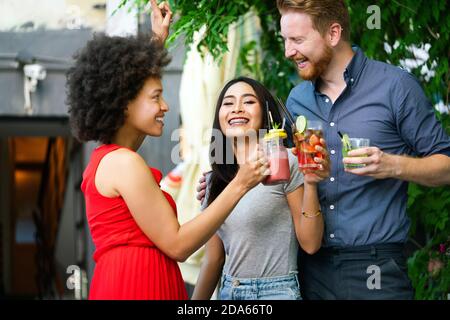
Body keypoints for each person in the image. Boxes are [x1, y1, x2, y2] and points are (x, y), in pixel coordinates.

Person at [66, 1, 270, 300]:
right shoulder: (123, 163)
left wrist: (155, 43)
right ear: (125, 103)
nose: (165, 106)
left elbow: (129, 84)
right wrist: (241, 183)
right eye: (156, 97)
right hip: (136, 285)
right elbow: (178, 245)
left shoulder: (113, 158)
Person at [276, 0, 450, 299]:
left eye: (298, 40)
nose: (289, 51)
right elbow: (291, 179)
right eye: (285, 40)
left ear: (333, 33)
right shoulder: (297, 100)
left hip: (377, 267)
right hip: (310, 269)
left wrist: (393, 166)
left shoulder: (395, 86)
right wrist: (225, 180)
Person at [192, 77, 329, 300]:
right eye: (228, 103)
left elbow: (311, 244)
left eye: (248, 102)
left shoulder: (284, 163)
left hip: (277, 292)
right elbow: (213, 260)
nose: (236, 109)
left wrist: (311, 184)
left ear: (265, 113)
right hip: (228, 292)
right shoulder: (213, 181)